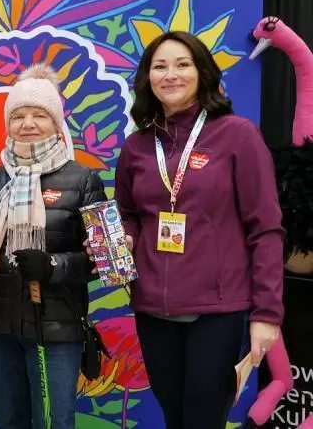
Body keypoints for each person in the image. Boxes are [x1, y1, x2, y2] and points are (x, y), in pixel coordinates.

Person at [112, 31, 285, 429]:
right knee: (175, 418)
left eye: (182, 64)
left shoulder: (237, 134)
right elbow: (128, 213)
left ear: (202, 72)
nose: (170, 75)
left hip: (217, 310)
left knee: (203, 421)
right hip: (153, 308)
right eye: (160, 67)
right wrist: (126, 236)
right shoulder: (137, 146)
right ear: (148, 78)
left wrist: (267, 314)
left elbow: (266, 230)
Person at [0, 64, 107, 429]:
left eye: (39, 115)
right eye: (18, 116)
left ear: (56, 122)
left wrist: (53, 265)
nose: (27, 124)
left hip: (56, 331)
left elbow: (105, 259)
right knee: (11, 420)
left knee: (54, 423)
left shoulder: (85, 180)